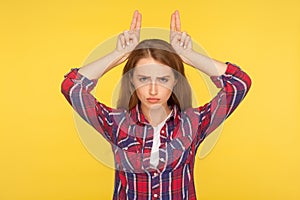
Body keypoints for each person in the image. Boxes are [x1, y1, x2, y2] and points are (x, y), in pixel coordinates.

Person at [61, 10, 251, 200]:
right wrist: (119, 54)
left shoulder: (193, 123)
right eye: (143, 78)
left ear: (175, 81)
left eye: (163, 79)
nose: (153, 90)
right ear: (132, 80)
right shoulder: (116, 124)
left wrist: (189, 56)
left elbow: (239, 83)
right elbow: (71, 87)